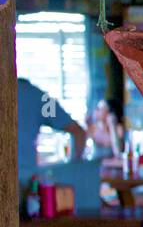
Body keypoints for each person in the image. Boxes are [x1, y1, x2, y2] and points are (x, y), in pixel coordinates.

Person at [15, 78, 88, 211]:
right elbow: (78, 132)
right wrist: (75, 167)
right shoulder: (35, 95)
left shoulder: (34, 95)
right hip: (24, 186)